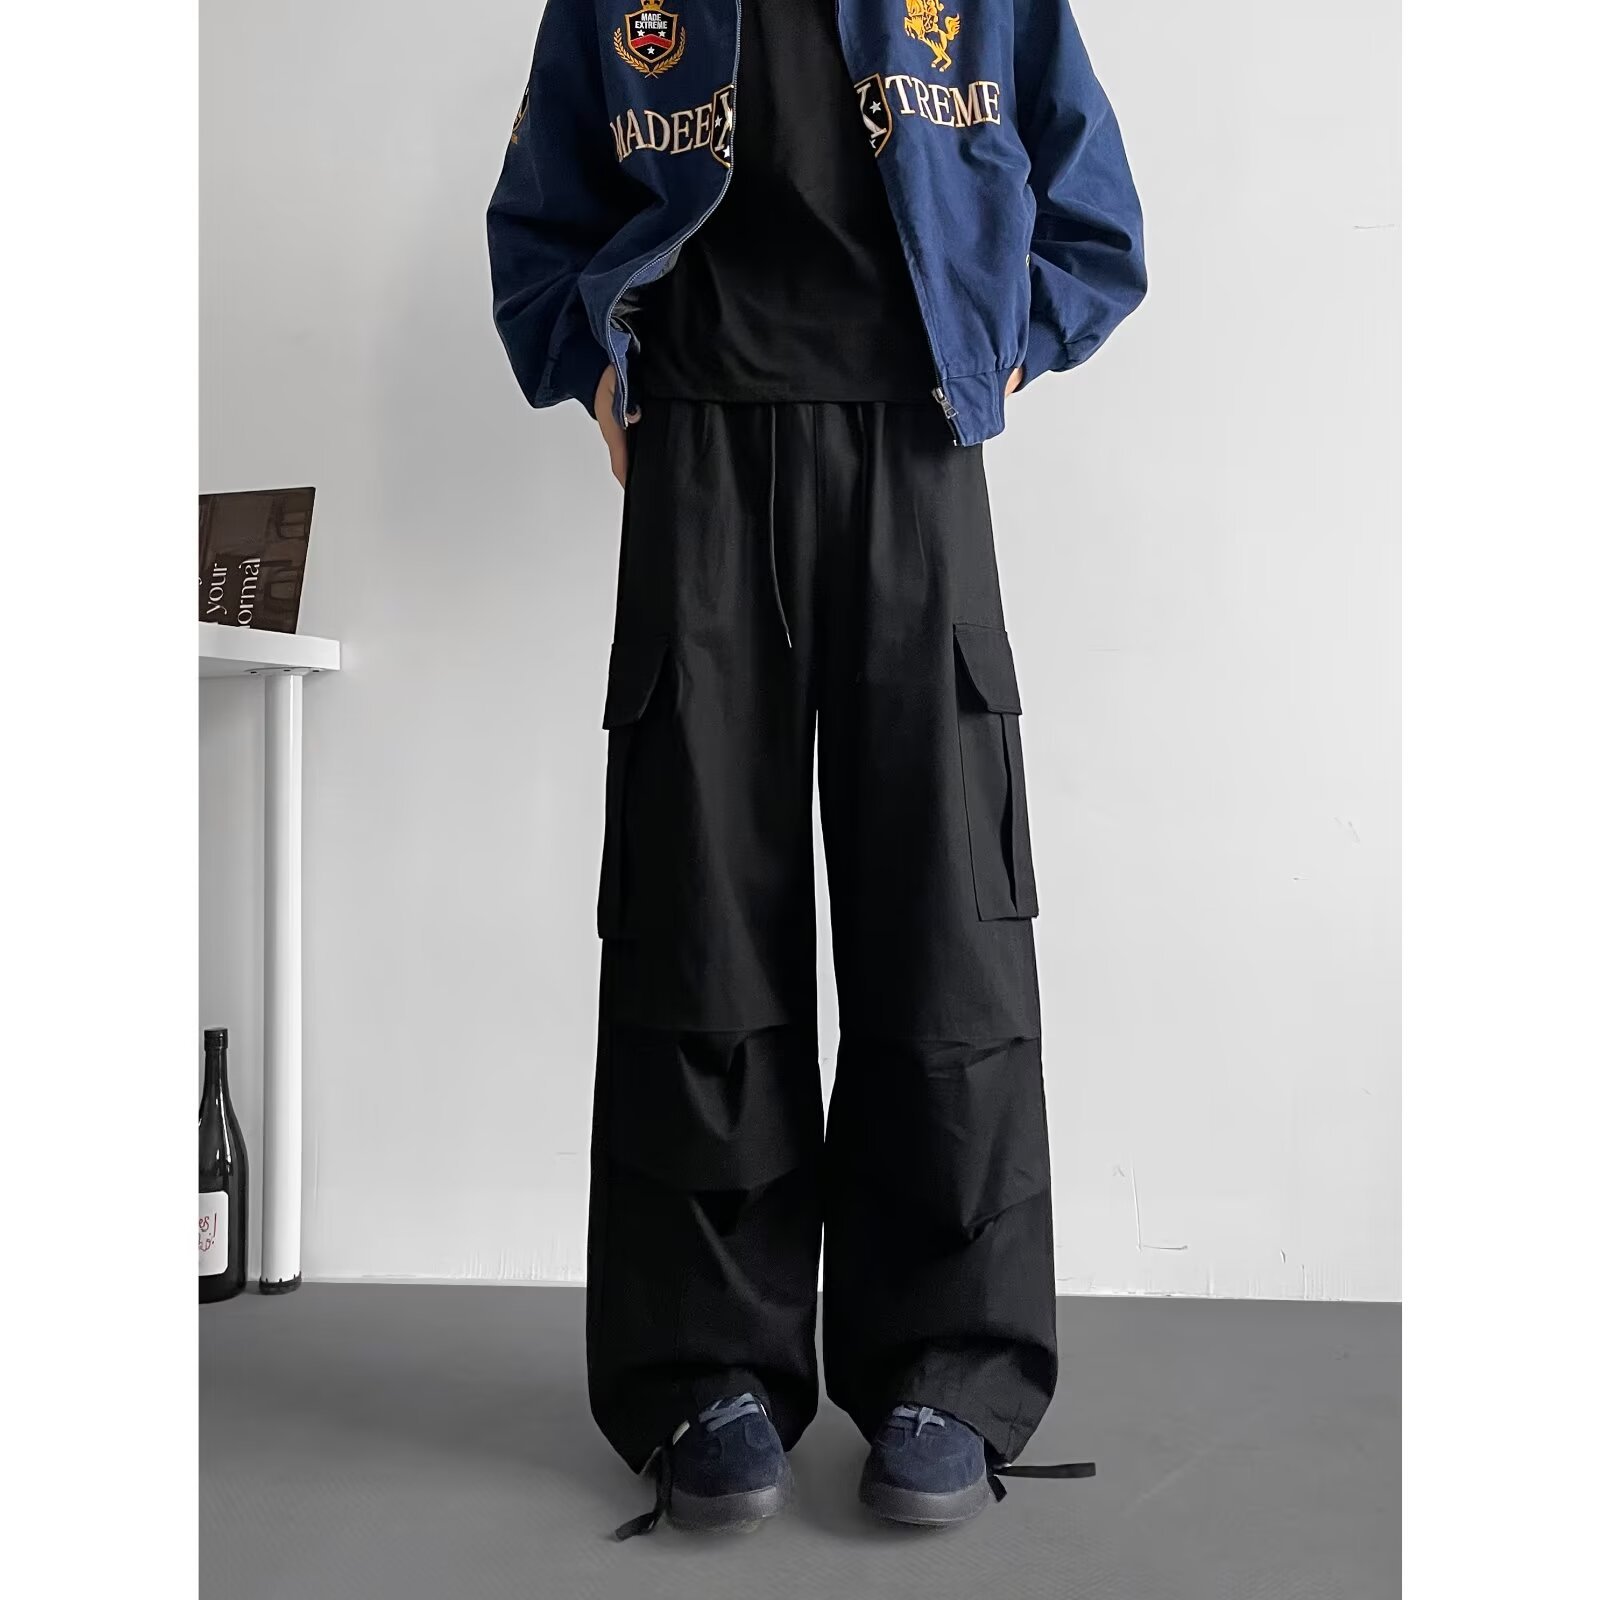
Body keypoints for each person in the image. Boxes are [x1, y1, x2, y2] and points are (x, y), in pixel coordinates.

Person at [488, 0, 1144, 1538]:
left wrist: (999, 347)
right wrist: (602, 374)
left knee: (946, 915)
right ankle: (704, 1370)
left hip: (917, 452)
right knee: (698, 919)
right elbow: (538, 222)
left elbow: (1096, 222)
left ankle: (949, 1368)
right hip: (700, 453)